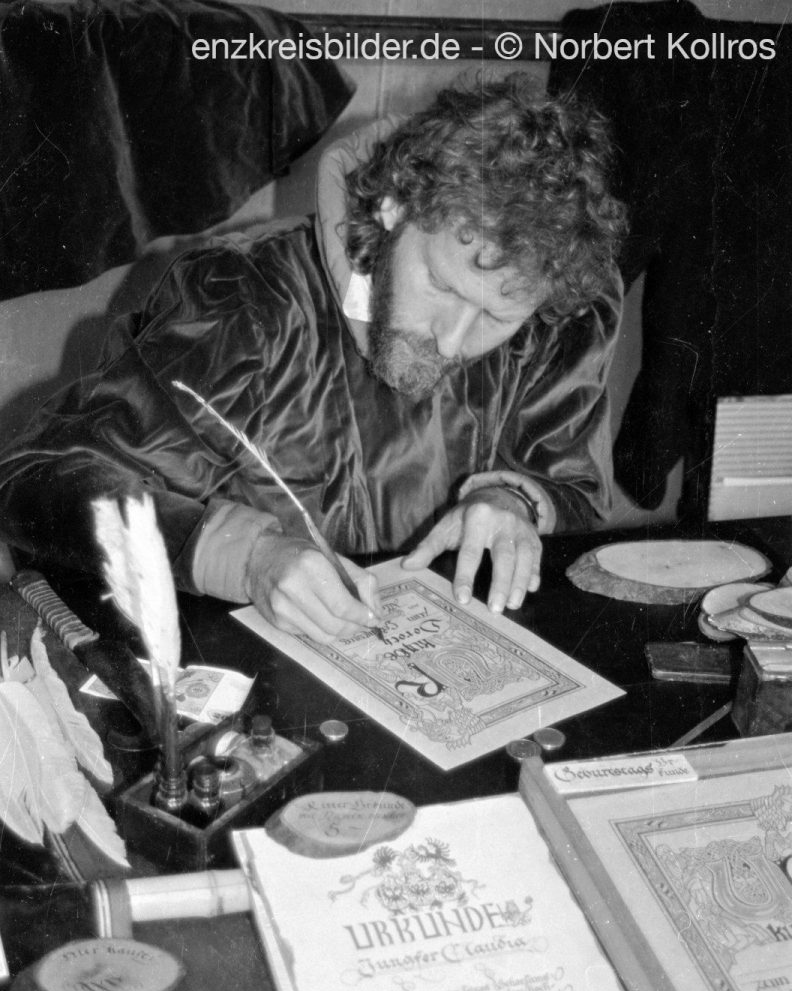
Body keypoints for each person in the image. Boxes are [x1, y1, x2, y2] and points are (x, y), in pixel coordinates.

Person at [0, 74, 625, 643]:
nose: (453, 341)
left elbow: (571, 491)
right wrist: (248, 557)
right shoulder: (246, 300)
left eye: (496, 318)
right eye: (441, 285)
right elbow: (36, 479)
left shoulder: (560, 319)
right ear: (395, 206)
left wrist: (515, 502)